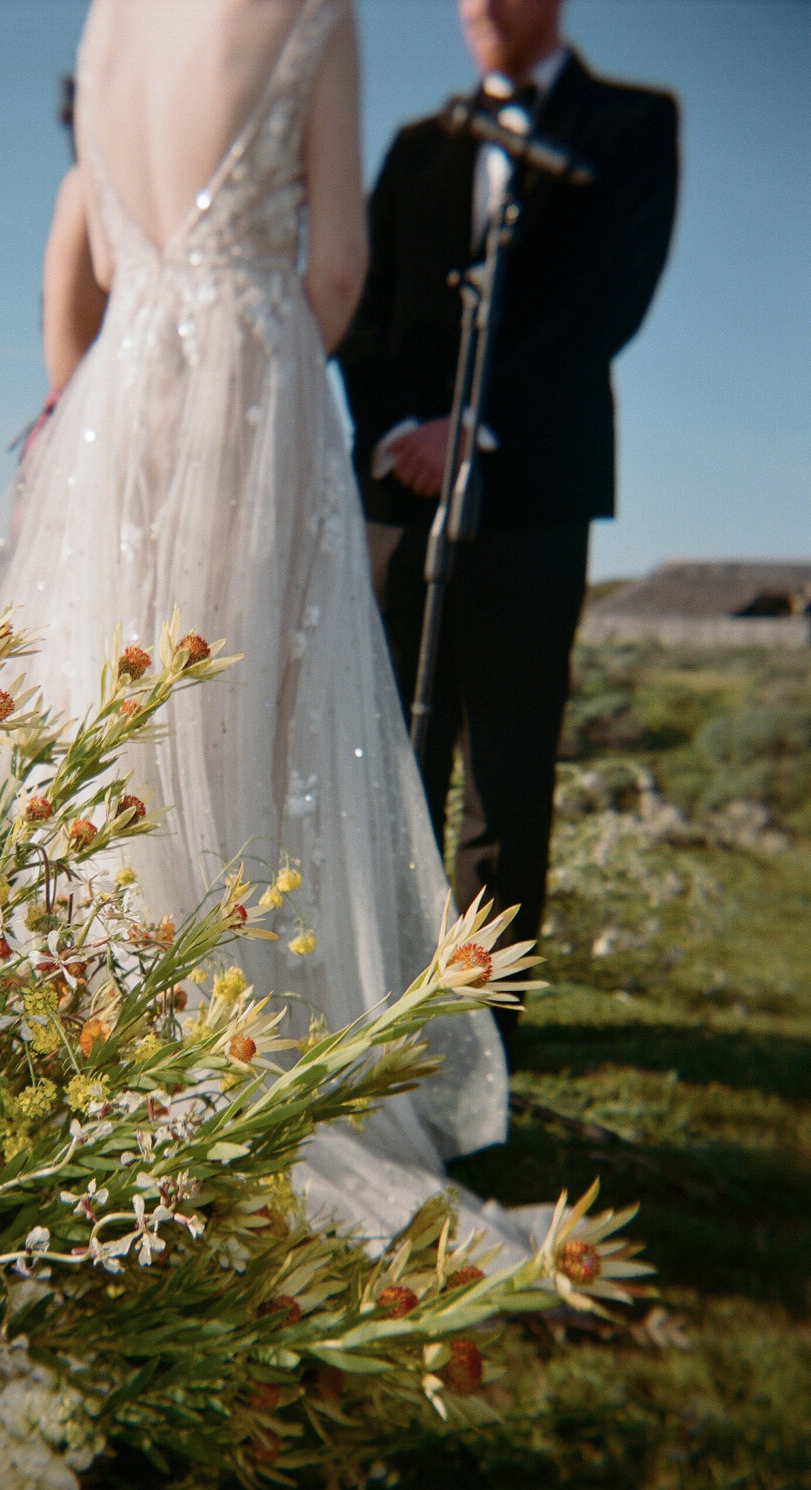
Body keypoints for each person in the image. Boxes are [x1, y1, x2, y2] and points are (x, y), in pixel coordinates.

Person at [0, 0, 518, 1247]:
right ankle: (225, 1058)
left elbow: (106, 263)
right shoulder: (310, 8)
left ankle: (95, 1041)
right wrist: (263, 364)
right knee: (242, 722)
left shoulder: (110, 23)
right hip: (246, 369)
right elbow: (336, 269)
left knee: (108, 712)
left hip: (121, 390)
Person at [337, 0, 679, 1046]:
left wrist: (476, 427)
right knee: (391, 752)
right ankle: (372, 1012)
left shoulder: (632, 123)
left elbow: (608, 301)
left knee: (509, 772)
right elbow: (361, 300)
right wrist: (404, 427)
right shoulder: (416, 146)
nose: (480, 6)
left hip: (536, 490)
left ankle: (479, 1038)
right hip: (399, 492)